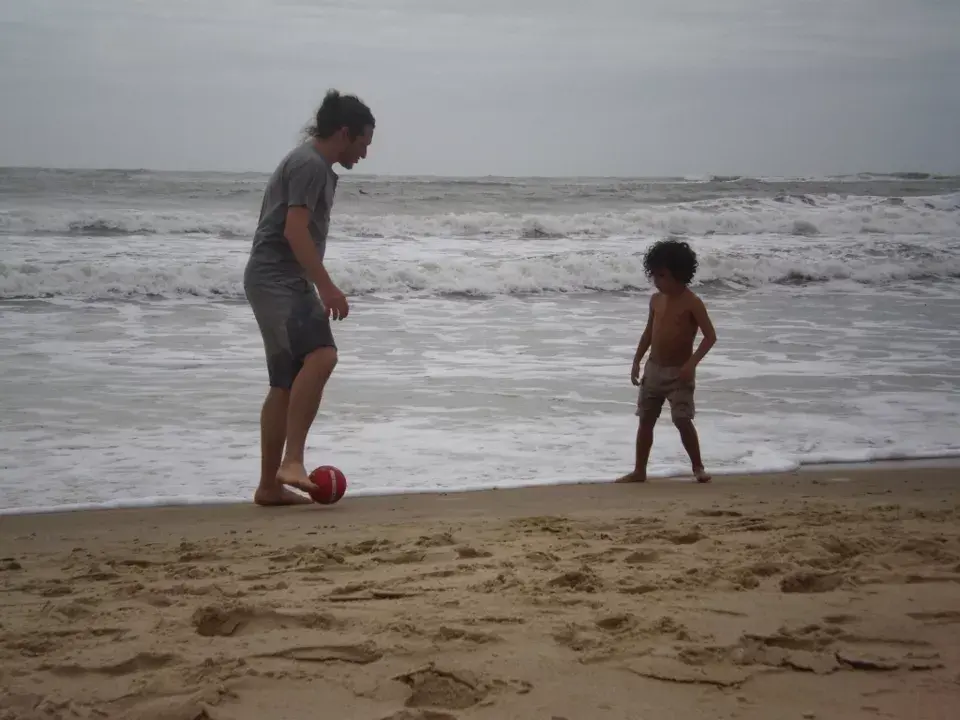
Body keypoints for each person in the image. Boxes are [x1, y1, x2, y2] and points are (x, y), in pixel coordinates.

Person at [243, 90, 375, 505]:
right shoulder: (310, 165)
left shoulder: (308, 163)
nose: (365, 154)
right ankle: (293, 461)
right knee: (322, 355)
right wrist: (327, 286)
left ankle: (269, 486)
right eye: (363, 143)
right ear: (343, 133)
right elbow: (294, 231)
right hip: (279, 278)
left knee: (285, 381)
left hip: (273, 278)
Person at [616, 238, 717, 484]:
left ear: (679, 274)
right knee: (645, 421)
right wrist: (637, 360)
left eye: (662, 276)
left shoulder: (692, 302)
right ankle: (639, 470)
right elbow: (649, 332)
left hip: (679, 374)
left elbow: (710, 337)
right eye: (654, 276)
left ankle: (698, 467)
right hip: (653, 370)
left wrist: (691, 364)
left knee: (682, 420)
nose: (657, 282)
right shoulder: (656, 300)